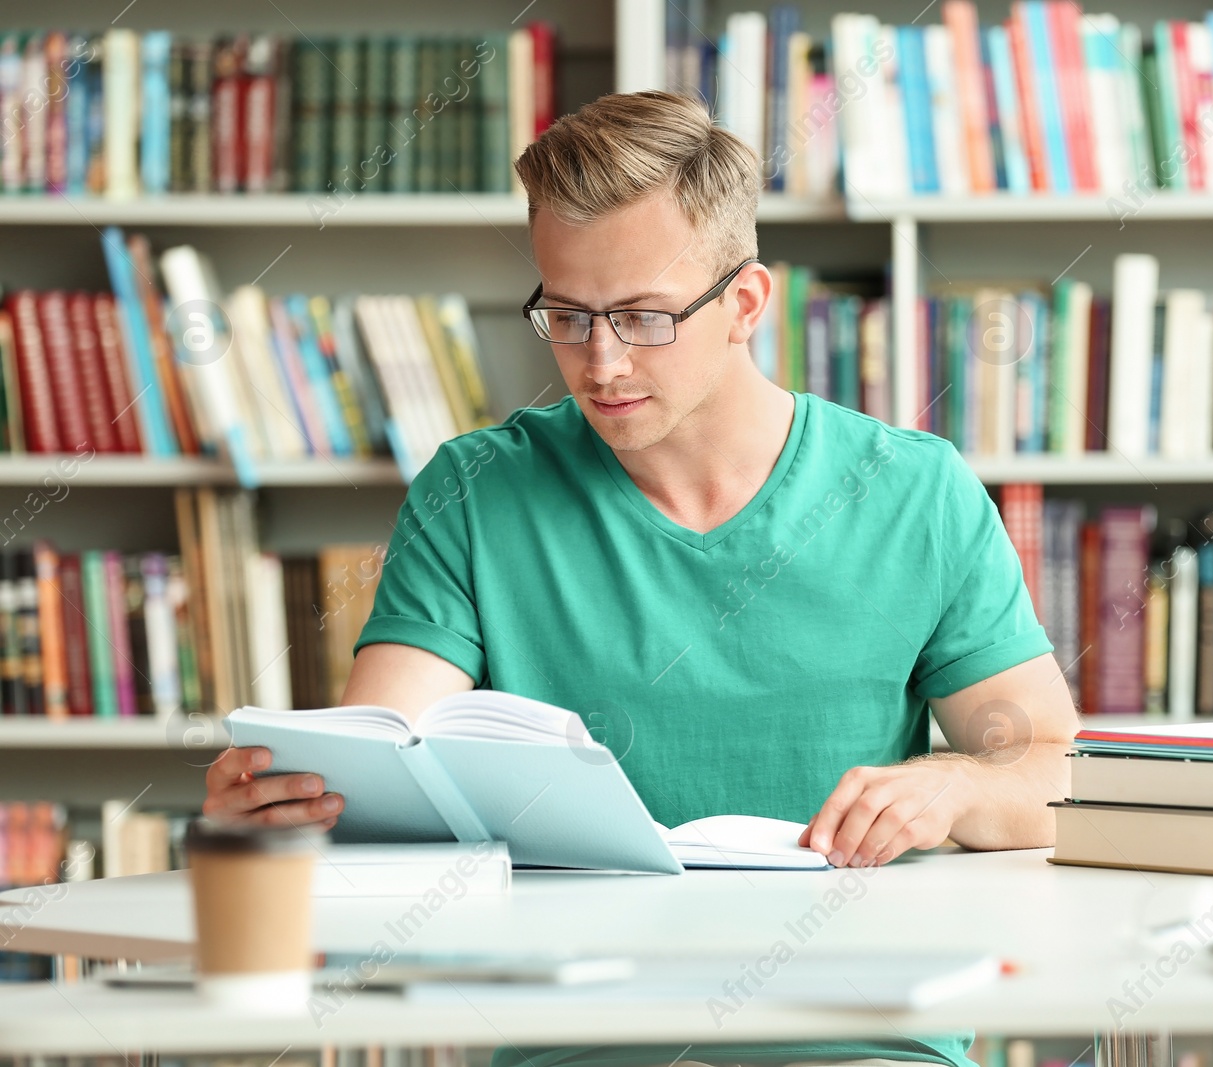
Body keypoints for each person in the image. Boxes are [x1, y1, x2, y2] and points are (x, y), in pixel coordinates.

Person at [203, 91, 1078, 1067]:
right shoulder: (477, 488)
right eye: (566, 314)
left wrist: (955, 783)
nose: (599, 360)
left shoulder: (913, 492)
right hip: (582, 1035)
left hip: (855, 1030)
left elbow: (1055, 770)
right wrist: (295, 803)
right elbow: (387, 759)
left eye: (642, 317)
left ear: (746, 302)